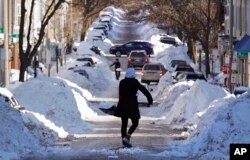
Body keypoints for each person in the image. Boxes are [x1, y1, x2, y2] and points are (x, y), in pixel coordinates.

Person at [114, 67, 153, 147]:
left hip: (122, 105)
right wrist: (150, 100)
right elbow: (144, 90)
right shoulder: (134, 82)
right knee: (135, 122)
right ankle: (127, 137)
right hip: (132, 105)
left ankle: (124, 140)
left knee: (124, 124)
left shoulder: (122, 82)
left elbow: (121, 94)